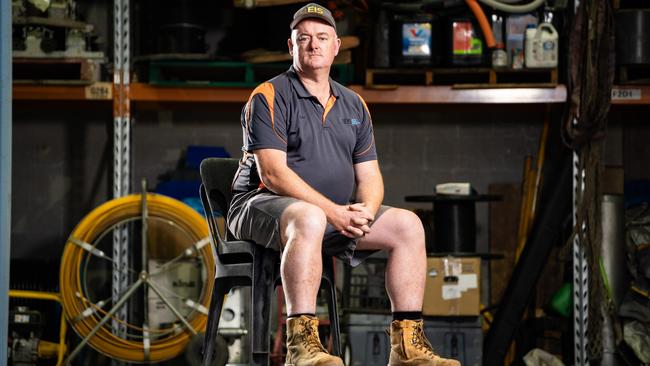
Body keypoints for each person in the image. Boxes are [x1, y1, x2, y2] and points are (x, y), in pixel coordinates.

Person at [227, 3, 461, 366]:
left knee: (407, 225)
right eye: (303, 38)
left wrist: (365, 210)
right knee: (308, 217)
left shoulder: (354, 104)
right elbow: (272, 174)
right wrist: (334, 212)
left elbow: (369, 176)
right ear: (291, 47)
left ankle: (407, 347)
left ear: (336, 46)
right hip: (259, 206)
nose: (313, 45)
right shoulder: (269, 96)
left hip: (328, 216)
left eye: (321, 38)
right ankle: (301, 347)